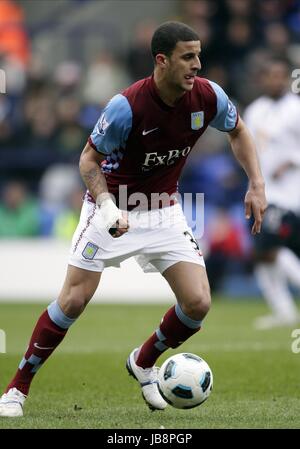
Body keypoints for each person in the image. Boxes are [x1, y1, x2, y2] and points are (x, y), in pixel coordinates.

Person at [0, 21, 267, 417]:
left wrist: (256, 183)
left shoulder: (208, 96)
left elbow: (238, 130)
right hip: (112, 207)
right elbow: (88, 161)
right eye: (187, 57)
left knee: (197, 303)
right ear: (162, 60)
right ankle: (16, 390)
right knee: (73, 300)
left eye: (199, 55)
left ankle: (143, 361)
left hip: (164, 211)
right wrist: (108, 206)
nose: (197, 65)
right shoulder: (127, 106)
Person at [244, 58, 300, 330]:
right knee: (263, 252)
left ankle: (285, 309)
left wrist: (291, 160)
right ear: (262, 79)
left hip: (291, 195)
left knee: (270, 248)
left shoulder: (296, 109)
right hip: (263, 193)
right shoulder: (255, 111)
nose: (276, 80)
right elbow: (249, 149)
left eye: (280, 75)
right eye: (270, 76)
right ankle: (283, 311)